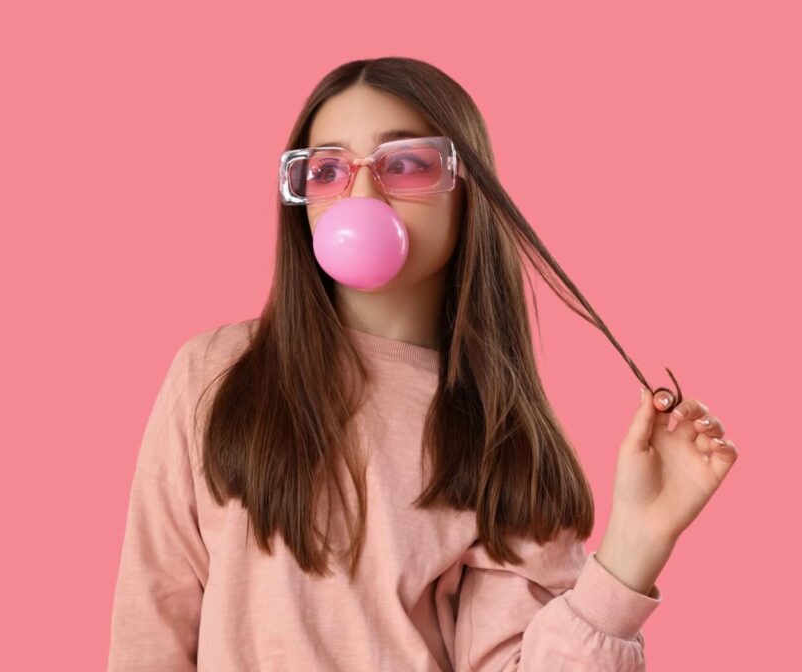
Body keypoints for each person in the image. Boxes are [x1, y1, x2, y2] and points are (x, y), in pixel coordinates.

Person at [107, 57, 739, 671]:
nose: (360, 191)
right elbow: (151, 629)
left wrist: (637, 543)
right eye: (327, 169)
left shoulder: (501, 439)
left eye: (403, 162)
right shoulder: (216, 374)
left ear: (469, 190)